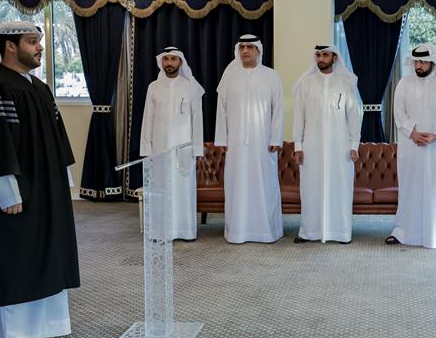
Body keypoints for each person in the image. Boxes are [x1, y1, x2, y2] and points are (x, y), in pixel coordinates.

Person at [0, 21, 79, 338]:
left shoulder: (39, 89)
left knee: (46, 253)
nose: (40, 47)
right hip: (13, 192)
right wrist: (7, 192)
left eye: (39, 41)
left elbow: (55, 139)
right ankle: (13, 337)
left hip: (46, 189)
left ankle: (47, 326)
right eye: (32, 42)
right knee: (14, 256)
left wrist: (62, 181)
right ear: (9, 46)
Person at [387, 43, 436, 248]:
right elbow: (398, 111)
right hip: (411, 145)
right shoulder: (405, 82)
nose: (418, 65)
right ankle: (402, 231)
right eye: (416, 61)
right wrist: (412, 132)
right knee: (410, 188)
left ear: (433, 62)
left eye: (423, 62)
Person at [214, 34, 284, 243]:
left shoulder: (271, 76)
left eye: (250, 47)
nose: (245, 50)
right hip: (235, 143)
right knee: (237, 185)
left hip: (263, 144)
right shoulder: (229, 76)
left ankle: (266, 231)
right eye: (242, 46)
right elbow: (221, 109)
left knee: (265, 185)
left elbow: (278, 109)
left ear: (258, 51)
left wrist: (276, 139)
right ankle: (237, 231)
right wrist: (222, 140)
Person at [291, 45, 362, 244]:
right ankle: (309, 232)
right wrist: (298, 146)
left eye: (325, 55)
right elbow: (299, 117)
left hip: (340, 148)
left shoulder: (345, 84)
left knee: (340, 189)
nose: (321, 58)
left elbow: (354, 118)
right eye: (319, 55)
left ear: (334, 58)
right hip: (312, 147)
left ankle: (340, 233)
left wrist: (354, 145)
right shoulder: (306, 84)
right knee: (311, 188)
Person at [139, 46, 205, 241]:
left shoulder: (191, 86)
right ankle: (161, 231)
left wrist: (198, 149)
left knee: (183, 189)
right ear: (162, 63)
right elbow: (147, 119)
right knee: (161, 189)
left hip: (184, 149)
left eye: (173, 59)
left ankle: (186, 231)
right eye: (166, 59)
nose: (169, 63)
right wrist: (146, 148)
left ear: (180, 62)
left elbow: (197, 119)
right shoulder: (153, 87)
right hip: (159, 149)